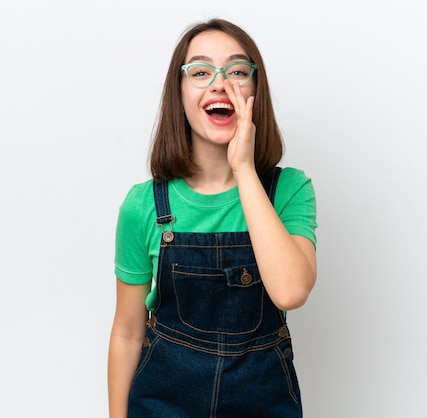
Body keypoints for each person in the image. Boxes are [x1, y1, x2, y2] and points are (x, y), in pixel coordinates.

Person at [107, 18, 318, 418]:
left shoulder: (290, 190)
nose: (220, 83)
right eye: (201, 72)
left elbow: (291, 292)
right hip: (161, 404)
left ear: (256, 90)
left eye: (238, 71)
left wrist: (243, 169)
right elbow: (127, 331)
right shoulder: (143, 206)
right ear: (180, 93)